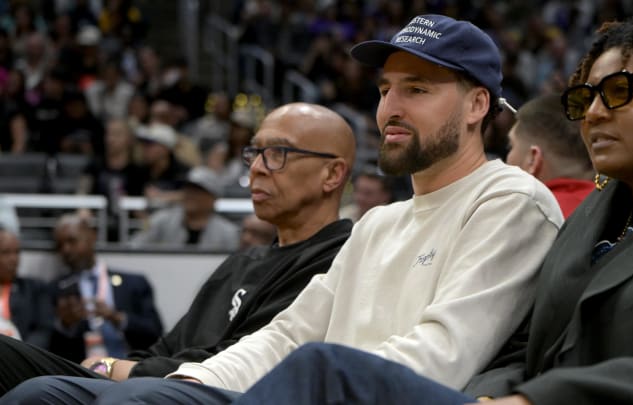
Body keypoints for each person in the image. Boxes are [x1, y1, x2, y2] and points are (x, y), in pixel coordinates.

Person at [131, 9, 633, 405]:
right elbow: (529, 353)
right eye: (584, 95)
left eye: (619, 93)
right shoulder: (594, 216)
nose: (592, 112)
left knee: (321, 369)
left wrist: (525, 399)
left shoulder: (523, 202)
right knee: (52, 390)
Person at [2, 14, 564, 404]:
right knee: (40, 394)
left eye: (416, 89)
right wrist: (198, 381)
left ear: (476, 105)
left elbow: (443, 355)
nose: (390, 107)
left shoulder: (511, 201)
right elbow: (288, 335)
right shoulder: (379, 223)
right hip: (299, 386)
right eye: (385, 89)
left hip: (341, 394)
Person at [0, 102, 355, 395]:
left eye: (278, 153)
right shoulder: (243, 260)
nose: (258, 169)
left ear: (332, 174)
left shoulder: (338, 257)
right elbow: (165, 348)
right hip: (152, 379)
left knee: (44, 393)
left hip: (205, 388)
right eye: (255, 153)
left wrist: (114, 368)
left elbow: (243, 360)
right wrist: (112, 368)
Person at [47, 214, 163, 363]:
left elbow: (155, 333)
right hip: (83, 372)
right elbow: (48, 347)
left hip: (131, 367)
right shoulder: (56, 290)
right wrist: (66, 325)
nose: (66, 250)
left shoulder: (133, 283)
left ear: (92, 237)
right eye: (60, 245)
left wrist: (117, 318)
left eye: (72, 241)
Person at [505, 93, 594, 217]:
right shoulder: (618, 208)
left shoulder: (524, 217)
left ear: (533, 159)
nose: (506, 161)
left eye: (510, 146)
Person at [129, 166, 239, 250]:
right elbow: (134, 248)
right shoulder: (161, 220)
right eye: (188, 189)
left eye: (198, 191)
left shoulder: (228, 233)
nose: (191, 195)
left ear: (213, 198)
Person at [0, 227, 53, 348]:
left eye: (17, 252)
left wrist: (22, 353)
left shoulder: (34, 288)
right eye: (5, 252)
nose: (13, 259)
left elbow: (43, 330)